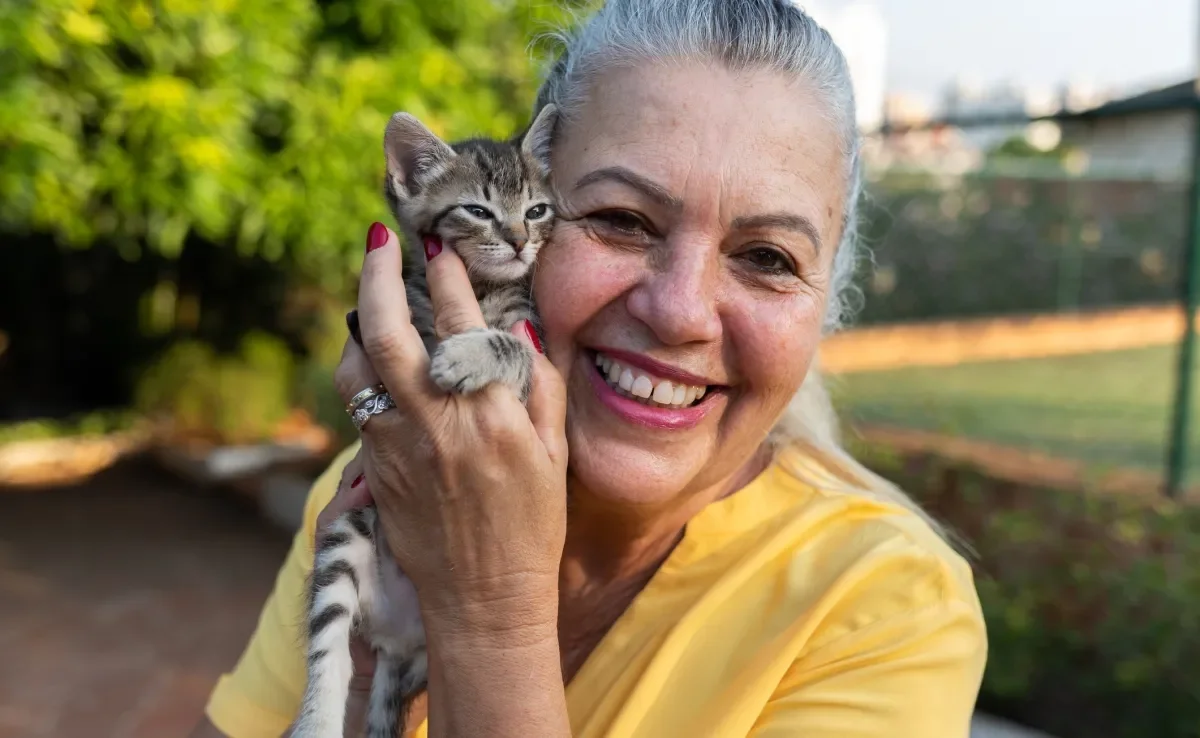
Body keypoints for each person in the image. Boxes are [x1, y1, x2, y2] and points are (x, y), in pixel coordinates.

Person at [193, 1, 987, 736]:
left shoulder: (889, 610)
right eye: (619, 219)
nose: (679, 311)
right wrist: (366, 688)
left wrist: (491, 615)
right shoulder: (399, 480)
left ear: (826, 311)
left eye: (768, 257)